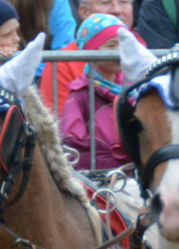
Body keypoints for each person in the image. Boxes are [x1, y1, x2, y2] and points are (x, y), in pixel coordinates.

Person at [59, 12, 138, 169]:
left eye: (123, 44)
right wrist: (115, 163)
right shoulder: (80, 95)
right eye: (111, 45)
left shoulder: (134, 88)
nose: (119, 51)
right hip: (102, 179)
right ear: (92, 50)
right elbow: (74, 146)